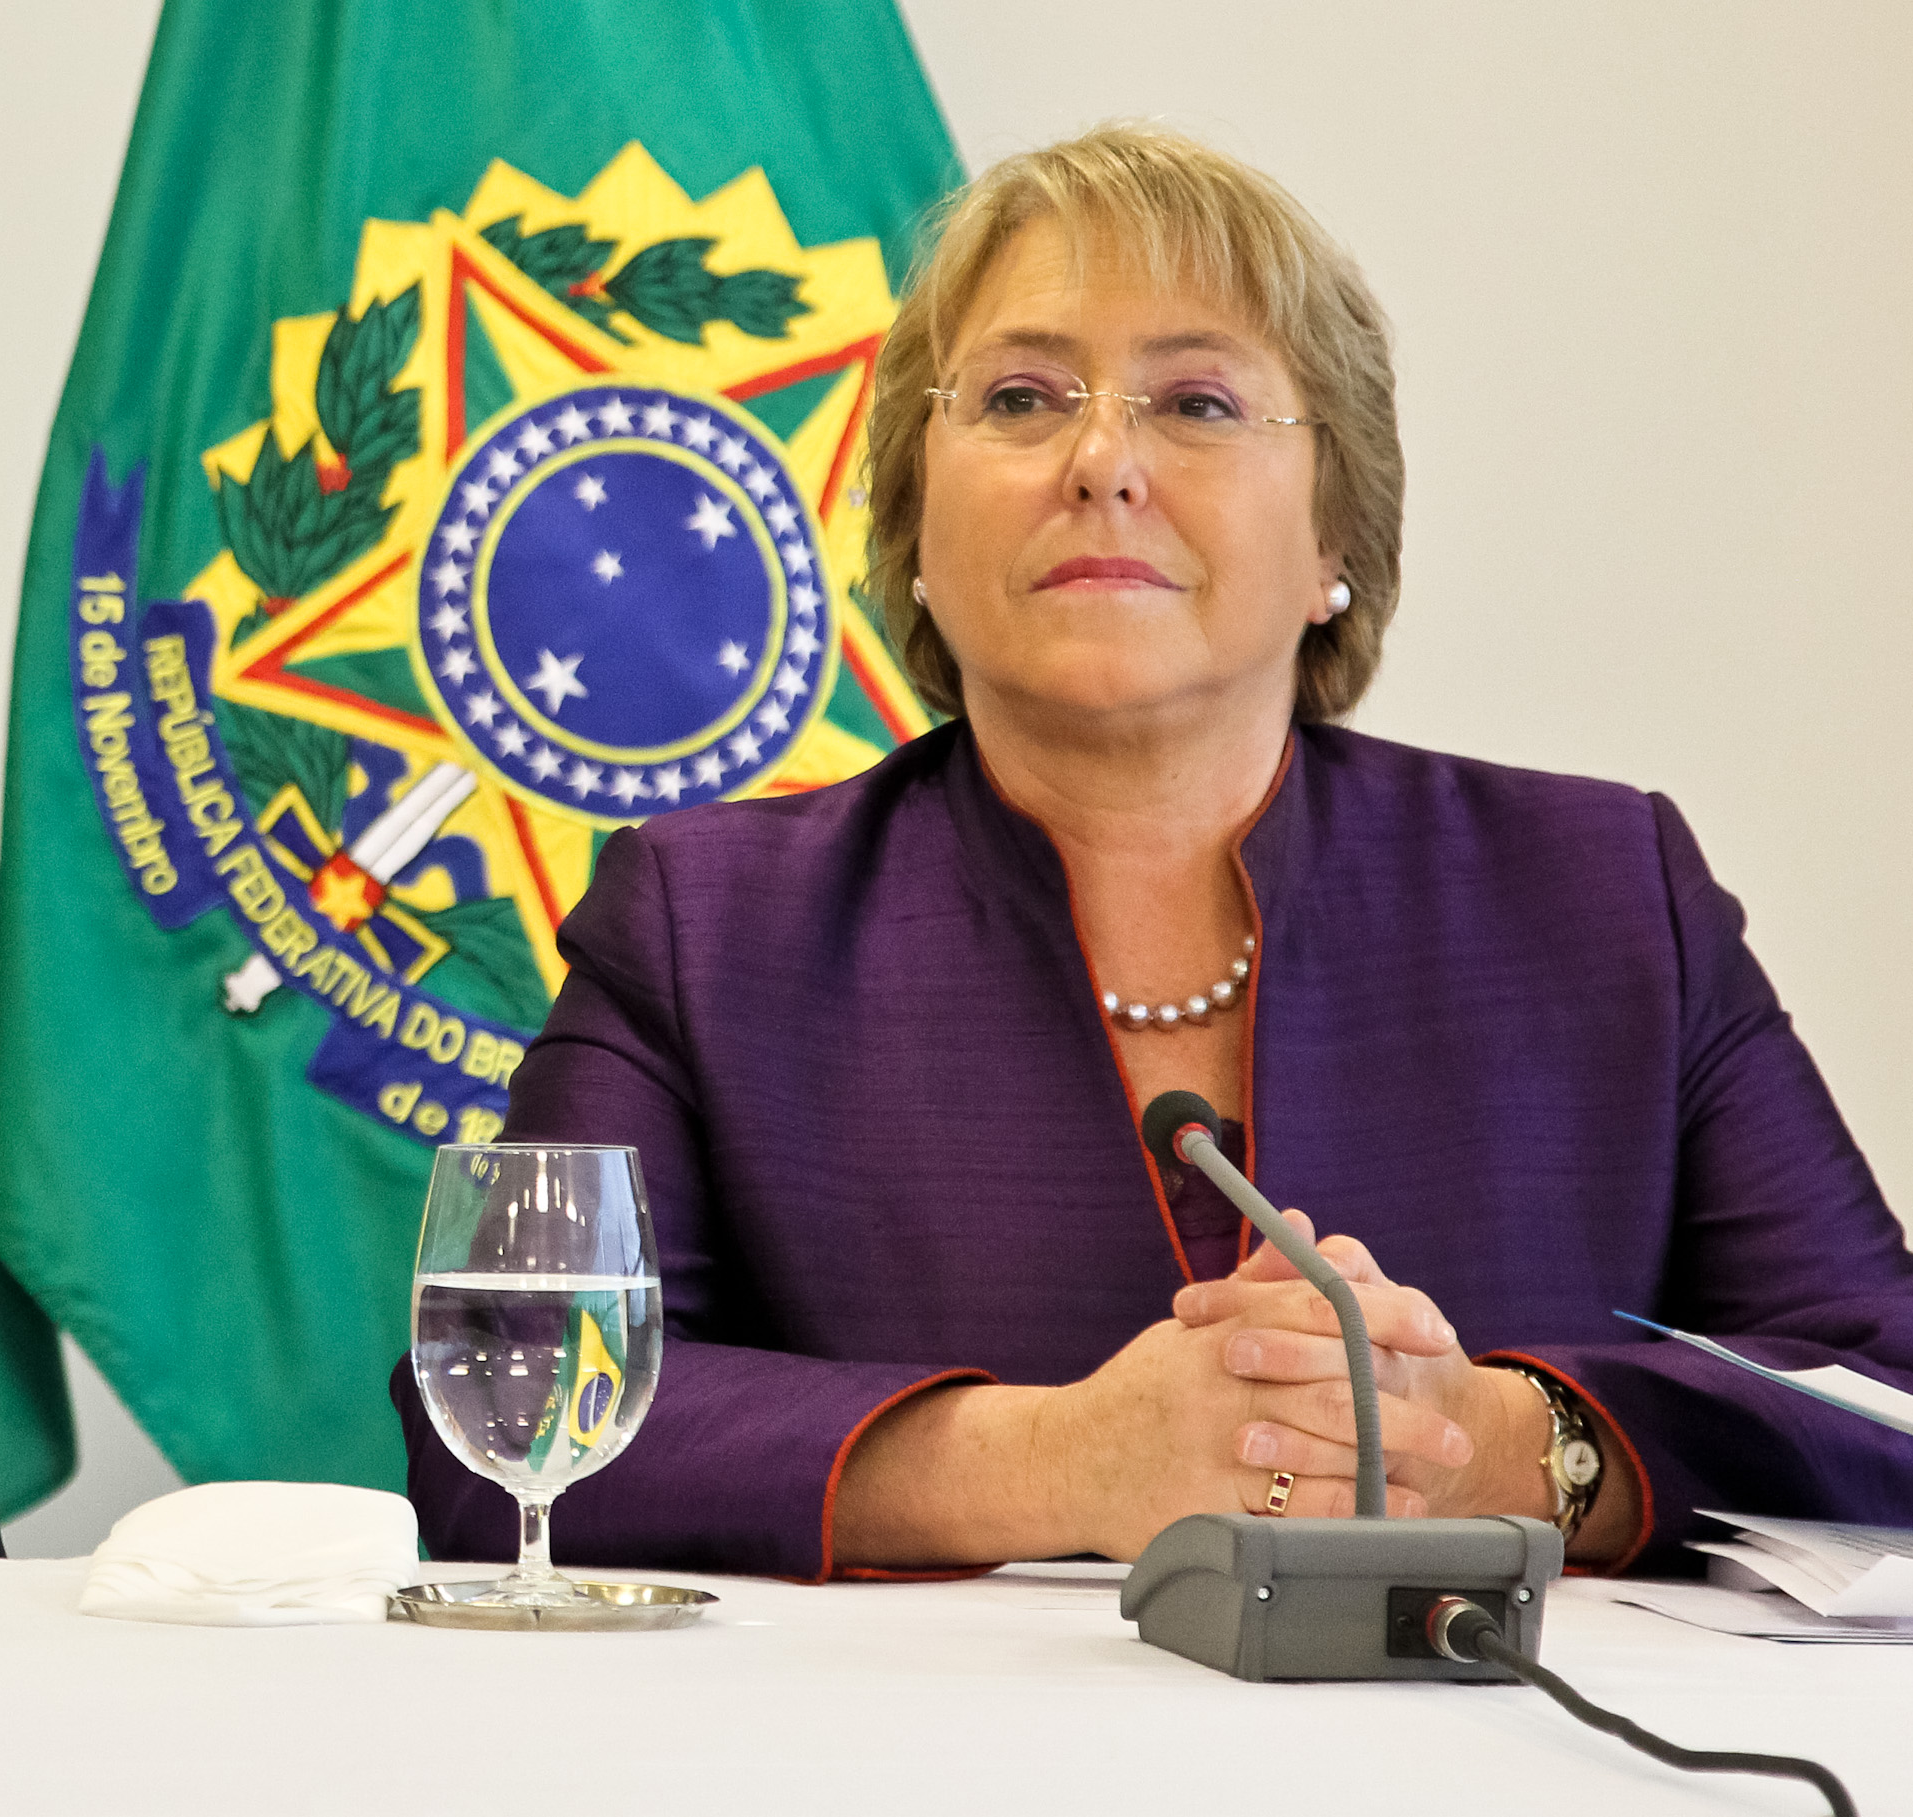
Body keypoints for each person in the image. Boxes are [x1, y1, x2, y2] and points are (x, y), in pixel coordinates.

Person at [402, 122, 1913, 1577]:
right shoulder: (706, 919)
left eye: (1194, 401)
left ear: (1337, 538)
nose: (1099, 461)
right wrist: (1054, 1459)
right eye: (1015, 399)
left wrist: (1504, 1444)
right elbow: (500, 1424)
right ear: (913, 528)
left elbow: (1884, 1400)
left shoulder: (1601, 891)